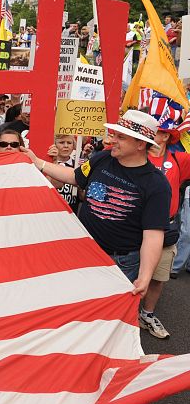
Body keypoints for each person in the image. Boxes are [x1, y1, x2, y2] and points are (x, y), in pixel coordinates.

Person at [25, 110, 170, 296]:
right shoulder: (103, 158)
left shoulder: (156, 184)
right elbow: (75, 177)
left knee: (109, 312)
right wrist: (38, 163)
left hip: (121, 262)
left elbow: (153, 235)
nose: (111, 141)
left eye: (121, 137)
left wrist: (145, 275)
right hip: (84, 250)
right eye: (114, 135)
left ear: (140, 144)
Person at [139, 119, 190, 338]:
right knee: (130, 274)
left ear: (166, 136)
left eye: (157, 132)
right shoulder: (137, 154)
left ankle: (147, 314)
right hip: (136, 226)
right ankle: (123, 315)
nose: (151, 134)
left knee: (159, 277)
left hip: (165, 227)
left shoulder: (179, 160)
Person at [44, 134, 80, 212]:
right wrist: (54, 162)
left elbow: (82, 197)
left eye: (69, 143)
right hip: (51, 209)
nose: (66, 146)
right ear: (54, 145)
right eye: (62, 142)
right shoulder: (46, 164)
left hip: (72, 211)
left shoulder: (78, 166)